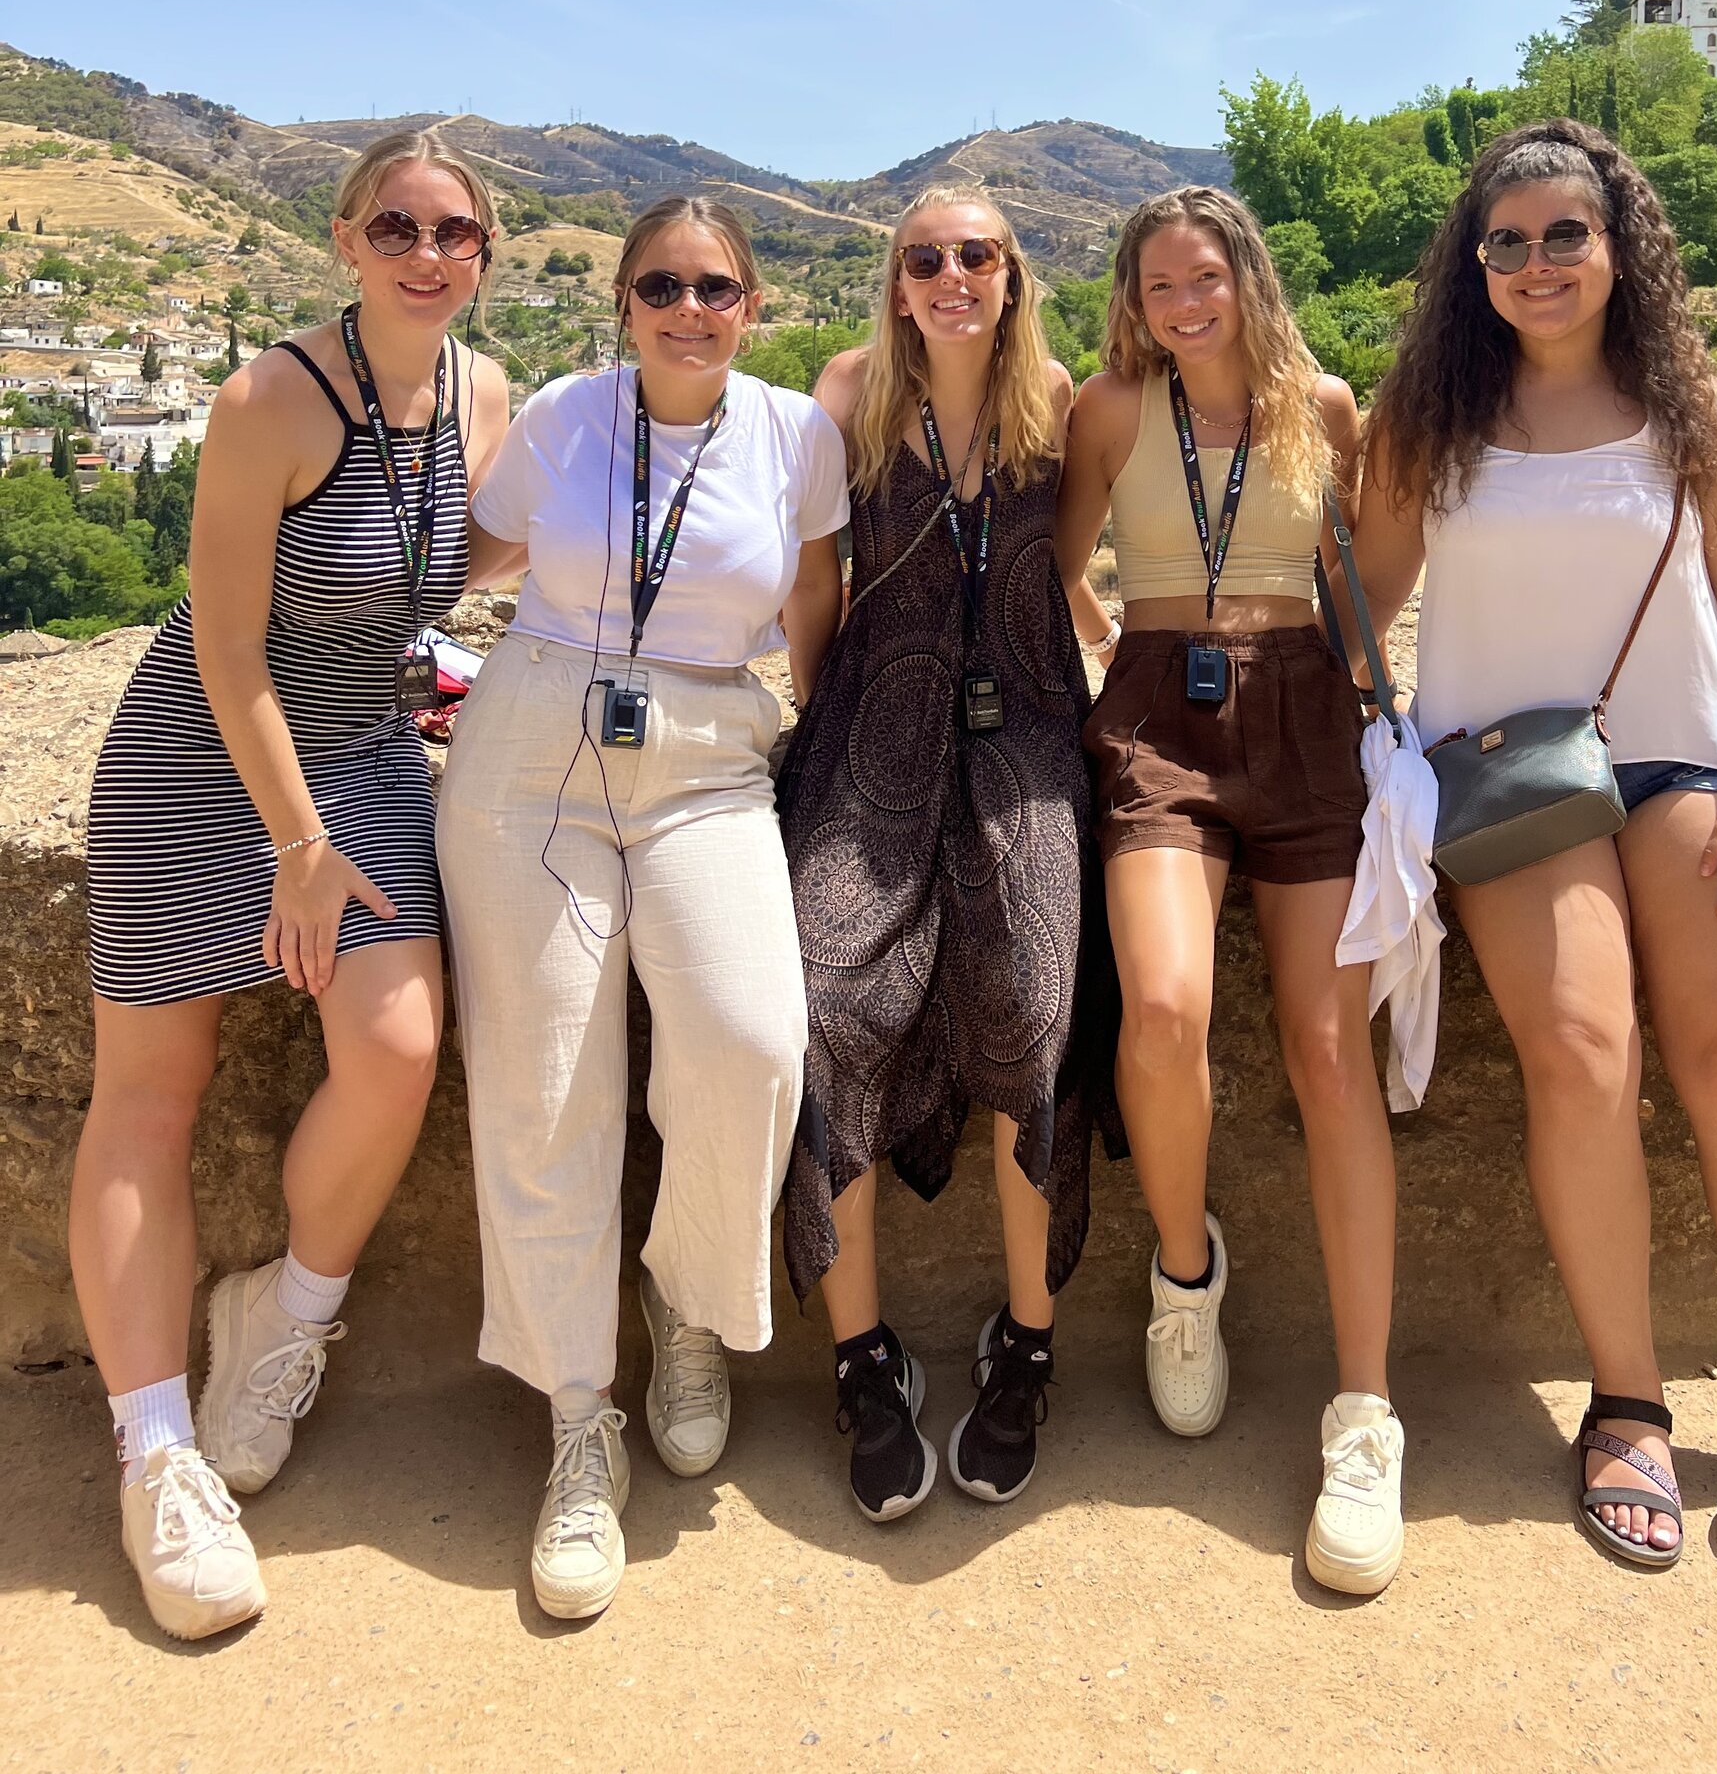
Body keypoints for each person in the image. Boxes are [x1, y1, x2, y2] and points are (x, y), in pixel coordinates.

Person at [1355, 119, 1717, 1568]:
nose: (1535, 263)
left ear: (1618, 247)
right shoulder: (1428, 417)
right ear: (1473, 266)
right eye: (1505, 242)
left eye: (1565, 234)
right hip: (1505, 778)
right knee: (1582, 1055)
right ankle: (1621, 1399)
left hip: (1688, 763)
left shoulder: (1693, 406)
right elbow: (1356, 601)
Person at [73, 129, 506, 1640]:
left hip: (369, 749)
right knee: (152, 1089)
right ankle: (155, 1449)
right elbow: (224, 643)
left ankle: (284, 1320)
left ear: (486, 257)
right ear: (343, 238)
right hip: (210, 762)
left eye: (457, 233)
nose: (427, 252)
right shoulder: (270, 396)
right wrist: (297, 845)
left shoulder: (482, 395)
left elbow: (494, 553)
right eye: (397, 224)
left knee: (396, 1050)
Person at [439, 193, 846, 1621]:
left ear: (753, 306)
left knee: (750, 1043)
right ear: (623, 300)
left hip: (710, 760)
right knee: (545, 1082)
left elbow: (813, 608)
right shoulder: (560, 413)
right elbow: (472, 556)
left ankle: (684, 1303)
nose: (689, 308)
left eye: (716, 287)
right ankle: (575, 1419)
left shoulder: (798, 433)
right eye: (662, 284)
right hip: (532, 745)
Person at [1055, 185, 1406, 1597]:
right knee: (1163, 1008)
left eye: (1203, 277)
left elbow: (1371, 573)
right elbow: (1054, 556)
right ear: (1131, 299)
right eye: (1157, 283)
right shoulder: (1105, 409)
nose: (1181, 302)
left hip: (1304, 714)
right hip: (1157, 717)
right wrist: (1110, 659)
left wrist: (1378, 707)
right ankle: (1184, 1279)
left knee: (1333, 1053)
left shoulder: (1320, 406)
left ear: (1244, 278)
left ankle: (1364, 1407)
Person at [778, 189, 1116, 1521]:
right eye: (925, 257)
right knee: (816, 1007)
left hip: (1027, 731)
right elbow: (815, 584)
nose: (951, 274)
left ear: (1012, 270)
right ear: (897, 280)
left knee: (1035, 1011)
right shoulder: (847, 392)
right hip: (871, 732)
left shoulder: (1064, 401)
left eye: (976, 253)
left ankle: (1026, 1344)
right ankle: (861, 1358)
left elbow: (1077, 564)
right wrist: (812, 736)